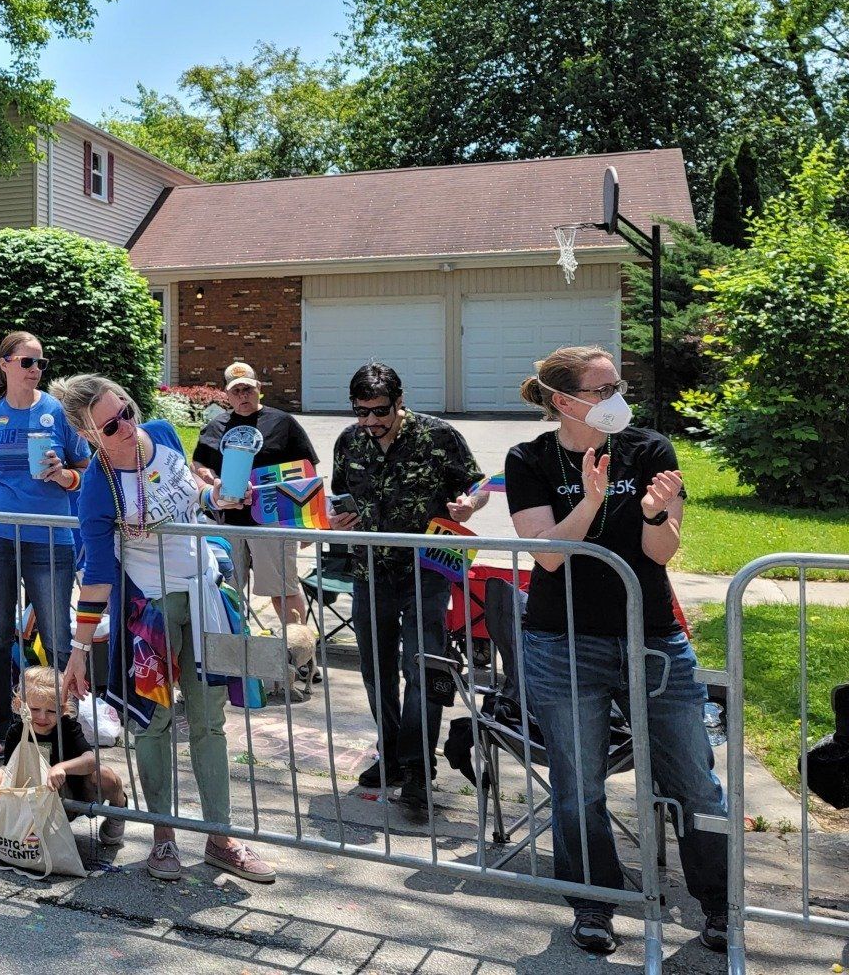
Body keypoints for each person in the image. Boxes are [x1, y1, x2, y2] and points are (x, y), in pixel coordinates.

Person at [505, 346, 727, 955]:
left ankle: (719, 904)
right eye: (603, 390)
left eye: (618, 386)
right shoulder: (527, 458)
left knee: (696, 780)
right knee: (580, 785)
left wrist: (655, 514)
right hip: (563, 642)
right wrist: (591, 500)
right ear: (563, 400)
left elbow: (661, 554)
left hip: (652, 637)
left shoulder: (650, 448)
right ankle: (594, 904)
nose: (617, 400)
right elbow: (548, 555)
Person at [50, 372, 276, 885]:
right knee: (152, 723)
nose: (127, 427)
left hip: (204, 597)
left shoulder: (163, 434)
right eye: (111, 426)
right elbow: (100, 575)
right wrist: (79, 650)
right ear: (88, 436)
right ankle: (163, 837)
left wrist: (218, 497)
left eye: (126, 411)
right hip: (147, 612)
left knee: (209, 720)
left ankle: (221, 838)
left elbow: (193, 495)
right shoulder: (97, 488)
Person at [328, 362, 487, 809]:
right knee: (375, 671)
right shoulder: (350, 439)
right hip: (369, 572)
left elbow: (477, 483)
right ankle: (393, 755)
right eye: (361, 412)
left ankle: (419, 767)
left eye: (379, 411)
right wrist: (339, 519)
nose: (370, 422)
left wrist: (469, 504)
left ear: (399, 400)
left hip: (427, 571)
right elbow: (339, 495)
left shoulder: (439, 435)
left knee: (424, 668)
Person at [0, 331, 88, 770]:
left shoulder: (58, 412)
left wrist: (64, 475)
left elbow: (87, 473)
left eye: (40, 364)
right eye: (27, 362)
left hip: (51, 538)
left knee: (57, 640)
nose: (35, 371)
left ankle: (71, 733)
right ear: (5, 364)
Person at [193, 361, 319, 627]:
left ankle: (301, 658)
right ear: (226, 394)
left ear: (258, 389)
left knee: (283, 591)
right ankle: (236, 655)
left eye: (248, 389)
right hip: (225, 523)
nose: (243, 396)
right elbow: (198, 463)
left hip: (271, 521)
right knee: (227, 592)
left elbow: (307, 472)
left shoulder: (283, 423)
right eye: (236, 391)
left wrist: (308, 521)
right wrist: (204, 475)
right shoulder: (215, 426)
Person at [0, 666, 128, 849]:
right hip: (39, 800)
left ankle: (118, 811)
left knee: (105, 775)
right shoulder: (17, 731)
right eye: (35, 709)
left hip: (75, 796)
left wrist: (62, 767)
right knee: (0, 779)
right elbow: (11, 766)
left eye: (51, 711)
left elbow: (91, 760)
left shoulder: (67, 728)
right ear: (20, 705)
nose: (42, 717)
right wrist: (0, 771)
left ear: (63, 709)